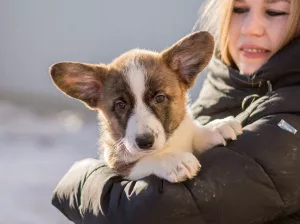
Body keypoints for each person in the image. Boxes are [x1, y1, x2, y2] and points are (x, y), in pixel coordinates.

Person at [51, 0, 300, 223]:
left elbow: (152, 208)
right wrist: (200, 139)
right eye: (239, 8)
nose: (251, 27)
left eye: (275, 11)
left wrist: (83, 177)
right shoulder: (221, 91)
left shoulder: (289, 116)